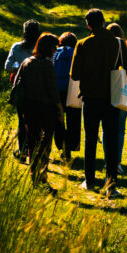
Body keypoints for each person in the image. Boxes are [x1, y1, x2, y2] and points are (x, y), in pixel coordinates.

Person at [70, 8, 127, 198]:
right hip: (112, 99)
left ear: (88, 25)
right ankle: (111, 184)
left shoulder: (82, 44)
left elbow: (75, 75)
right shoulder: (118, 43)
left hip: (90, 98)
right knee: (112, 139)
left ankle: (89, 181)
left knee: (90, 139)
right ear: (104, 22)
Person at [14, 33, 62, 189]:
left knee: (33, 141)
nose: (55, 50)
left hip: (29, 107)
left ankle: (34, 174)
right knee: (45, 143)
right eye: (54, 47)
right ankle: (42, 175)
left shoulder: (27, 62)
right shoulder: (47, 65)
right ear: (49, 48)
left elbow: (17, 83)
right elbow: (53, 89)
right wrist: (60, 108)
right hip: (46, 108)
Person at [4, 19, 39, 161]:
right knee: (35, 120)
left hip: (21, 88)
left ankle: (22, 150)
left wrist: (19, 67)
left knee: (21, 119)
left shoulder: (17, 47)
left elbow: (7, 66)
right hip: (38, 87)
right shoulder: (40, 47)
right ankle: (33, 150)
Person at [106, 22, 127, 175]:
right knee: (120, 129)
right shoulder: (121, 46)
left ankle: (108, 161)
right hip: (119, 90)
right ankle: (117, 162)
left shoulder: (102, 48)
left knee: (105, 129)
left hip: (104, 90)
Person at [52, 32, 80, 161]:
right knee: (73, 118)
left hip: (57, 89)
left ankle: (62, 145)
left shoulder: (56, 52)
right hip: (73, 89)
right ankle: (71, 145)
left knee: (59, 119)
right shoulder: (76, 51)